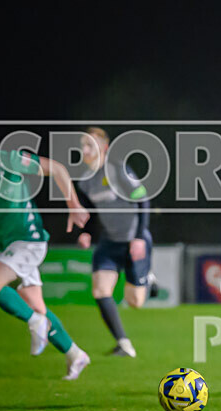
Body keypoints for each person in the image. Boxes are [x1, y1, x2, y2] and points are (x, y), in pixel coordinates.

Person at [0, 114, 91, 380]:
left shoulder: (9, 160)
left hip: (29, 240)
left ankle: (36, 323)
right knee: (36, 306)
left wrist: (73, 205)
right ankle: (75, 354)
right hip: (7, 245)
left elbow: (57, 169)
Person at [74, 127, 156, 358]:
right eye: (83, 145)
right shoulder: (85, 181)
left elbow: (143, 201)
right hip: (109, 243)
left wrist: (139, 237)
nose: (85, 150)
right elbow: (90, 211)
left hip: (133, 241)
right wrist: (86, 233)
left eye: (90, 145)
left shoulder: (118, 170)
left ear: (104, 147)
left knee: (135, 302)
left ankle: (148, 276)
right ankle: (124, 344)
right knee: (100, 290)